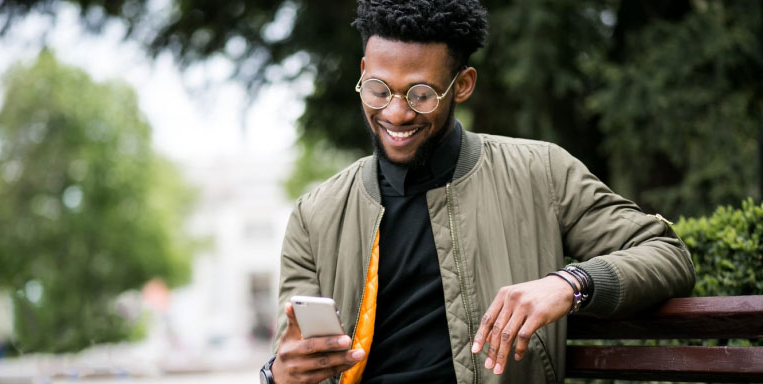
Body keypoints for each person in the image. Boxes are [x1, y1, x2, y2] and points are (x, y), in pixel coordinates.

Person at [259, 1, 696, 383]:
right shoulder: (314, 215)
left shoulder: (541, 172)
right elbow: (292, 352)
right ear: (362, 73)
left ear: (463, 84)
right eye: (378, 89)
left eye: (421, 94)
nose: (394, 112)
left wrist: (570, 282)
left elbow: (666, 254)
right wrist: (280, 375)